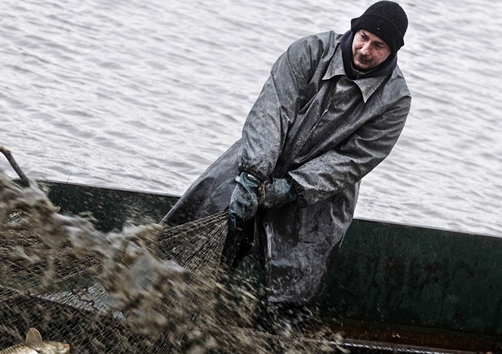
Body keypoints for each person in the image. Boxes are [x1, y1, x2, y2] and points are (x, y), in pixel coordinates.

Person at [162, 1, 410, 332]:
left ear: (392, 51)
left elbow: (356, 158)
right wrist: (252, 177)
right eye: (363, 37)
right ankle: (173, 312)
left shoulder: (396, 99)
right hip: (255, 162)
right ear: (354, 30)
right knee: (206, 227)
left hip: (320, 193)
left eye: (378, 46)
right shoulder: (310, 51)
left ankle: (272, 335)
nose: (365, 50)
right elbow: (271, 110)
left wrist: (294, 186)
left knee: (292, 283)